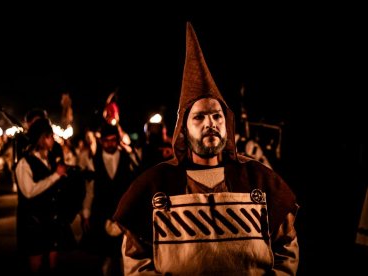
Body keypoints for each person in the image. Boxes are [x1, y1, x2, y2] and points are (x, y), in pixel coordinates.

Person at [113, 22, 299, 275]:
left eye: (217, 116)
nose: (210, 123)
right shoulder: (155, 184)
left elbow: (286, 248)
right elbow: (136, 258)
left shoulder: (260, 179)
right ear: (183, 129)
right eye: (199, 117)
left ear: (227, 123)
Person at [15, 118, 77, 274]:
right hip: (32, 223)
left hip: (51, 220)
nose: (53, 139)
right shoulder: (24, 163)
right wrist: (56, 175)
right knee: (36, 266)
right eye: (50, 136)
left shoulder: (50, 159)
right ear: (41, 138)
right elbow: (29, 191)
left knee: (53, 265)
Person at [78, 122, 140, 275]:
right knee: (105, 257)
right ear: (101, 141)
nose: (110, 143)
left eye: (113, 140)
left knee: (125, 255)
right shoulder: (93, 161)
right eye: (107, 140)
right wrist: (86, 214)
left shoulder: (127, 158)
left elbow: (135, 186)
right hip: (102, 212)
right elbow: (89, 190)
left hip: (123, 213)